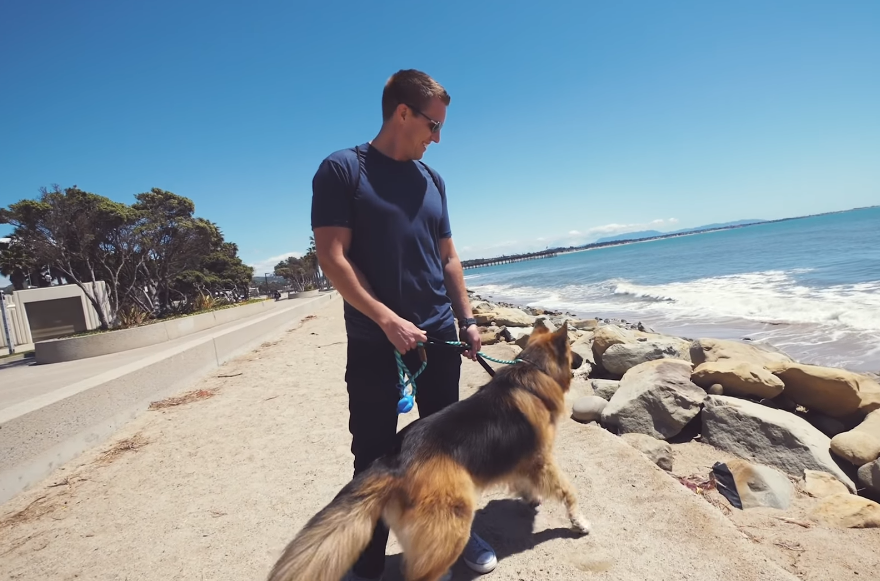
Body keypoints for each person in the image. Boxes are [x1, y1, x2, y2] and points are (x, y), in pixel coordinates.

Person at [310, 69, 497, 581]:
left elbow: (449, 259)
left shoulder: (432, 180)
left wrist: (467, 319)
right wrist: (386, 319)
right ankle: (364, 562)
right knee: (372, 457)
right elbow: (333, 257)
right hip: (374, 340)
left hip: (437, 335)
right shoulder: (342, 170)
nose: (437, 138)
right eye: (432, 126)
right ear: (402, 113)